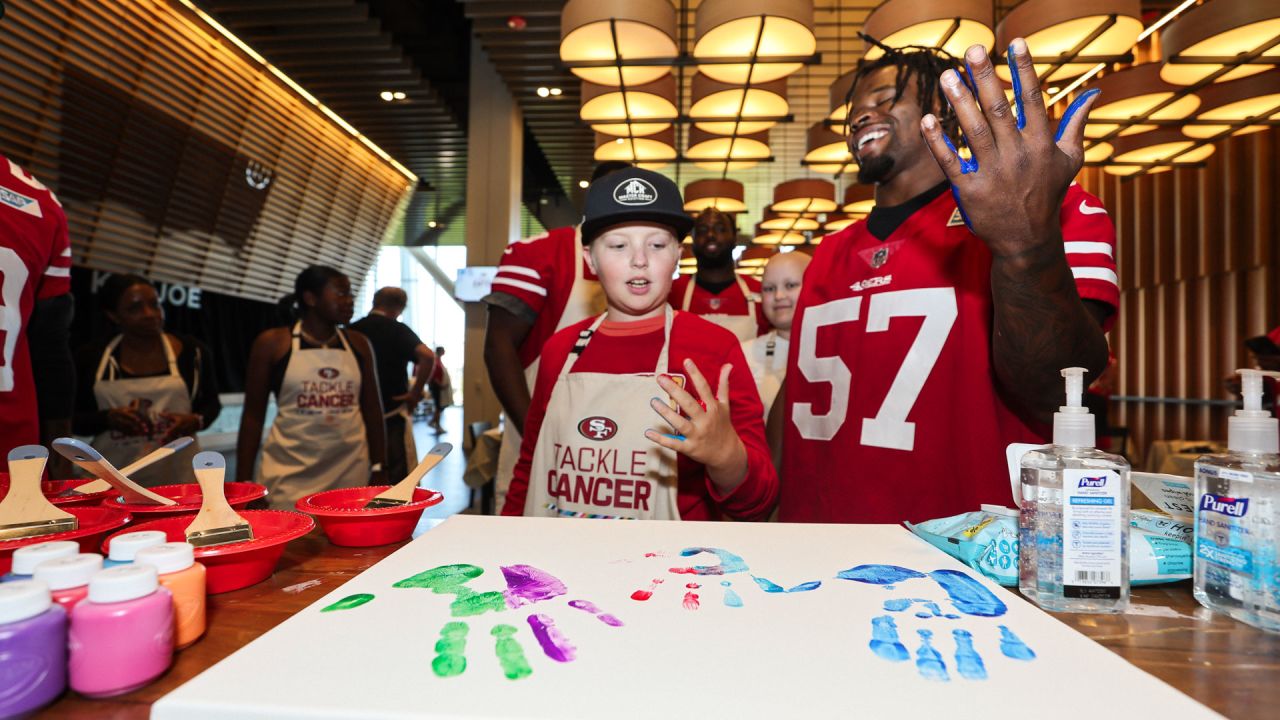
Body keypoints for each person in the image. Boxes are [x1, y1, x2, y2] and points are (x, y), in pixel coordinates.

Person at [771, 38, 1119, 524]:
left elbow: (1059, 391)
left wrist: (1025, 245)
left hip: (968, 560)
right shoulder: (827, 253)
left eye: (885, 98)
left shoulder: (1049, 209)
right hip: (820, 547)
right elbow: (797, 400)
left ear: (945, 112)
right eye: (855, 108)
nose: (860, 116)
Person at [501, 168, 777, 520]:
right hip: (560, 564)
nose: (640, 259)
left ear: (678, 255)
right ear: (590, 260)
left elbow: (759, 500)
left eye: (657, 245)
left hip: (668, 568)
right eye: (618, 245)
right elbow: (530, 468)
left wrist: (727, 458)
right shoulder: (561, 350)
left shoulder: (714, 348)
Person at [484, 161, 631, 507]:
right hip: (544, 447)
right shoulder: (539, 254)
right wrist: (537, 437)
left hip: (625, 458)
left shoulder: (648, 265)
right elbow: (498, 347)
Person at [236, 265, 386, 507]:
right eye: (341, 293)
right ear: (310, 298)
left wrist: (380, 465)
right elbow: (253, 415)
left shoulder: (358, 344)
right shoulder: (273, 344)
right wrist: (243, 483)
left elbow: (372, 410)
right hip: (289, 472)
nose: (349, 301)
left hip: (349, 470)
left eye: (350, 294)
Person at [73, 274, 220, 485]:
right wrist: (107, 419)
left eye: (154, 304)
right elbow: (73, 420)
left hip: (178, 480)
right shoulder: (92, 357)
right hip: (110, 482)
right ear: (113, 315)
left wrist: (195, 421)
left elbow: (212, 405)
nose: (150, 314)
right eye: (135, 308)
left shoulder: (193, 352)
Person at [0, 155, 75, 475]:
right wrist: (61, 447)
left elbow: (49, 341)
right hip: (13, 451)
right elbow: (50, 342)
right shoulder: (41, 202)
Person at [351, 287, 436, 481]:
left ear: (374, 302)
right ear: (400, 307)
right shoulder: (397, 330)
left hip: (356, 416)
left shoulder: (351, 331)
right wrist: (415, 392)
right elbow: (427, 356)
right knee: (397, 474)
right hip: (391, 413)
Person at [668, 207, 768, 342]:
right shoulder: (671, 293)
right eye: (702, 230)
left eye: (720, 229)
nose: (710, 235)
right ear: (693, 240)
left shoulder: (760, 293)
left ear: (735, 238)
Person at [741, 251, 810, 419]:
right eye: (770, 289)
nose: (779, 296)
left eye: (791, 285)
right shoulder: (744, 355)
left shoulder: (839, 351)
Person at [426, 346, 452, 433]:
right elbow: (435, 376)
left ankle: (435, 423)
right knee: (438, 406)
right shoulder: (436, 362)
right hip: (437, 388)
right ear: (441, 351)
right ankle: (434, 423)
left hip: (438, 388)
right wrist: (441, 385)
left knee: (439, 407)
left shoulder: (439, 361)